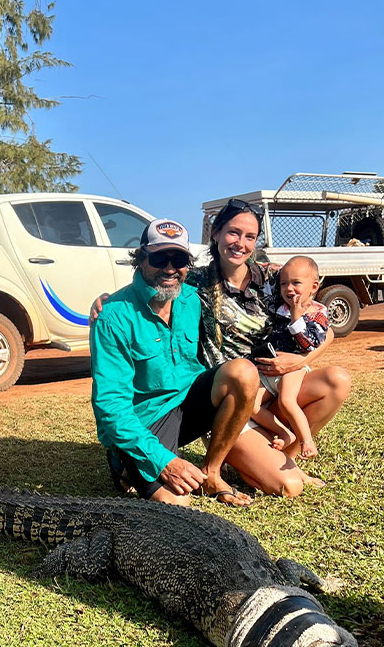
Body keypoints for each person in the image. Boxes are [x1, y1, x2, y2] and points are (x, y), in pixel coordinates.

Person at [90, 219, 262, 507]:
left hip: (188, 401)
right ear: (141, 260)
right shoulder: (112, 316)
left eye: (179, 259)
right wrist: (164, 462)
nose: (170, 268)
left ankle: (211, 472)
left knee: (243, 372)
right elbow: (111, 407)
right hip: (146, 419)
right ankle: (123, 457)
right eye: (159, 258)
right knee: (177, 506)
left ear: (187, 264)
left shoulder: (193, 297)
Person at [188, 199, 351, 495]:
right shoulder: (196, 281)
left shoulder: (274, 278)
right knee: (289, 488)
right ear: (216, 234)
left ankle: (285, 456)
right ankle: (249, 458)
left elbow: (325, 333)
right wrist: (107, 300)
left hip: (271, 389)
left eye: (250, 236)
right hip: (233, 403)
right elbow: (153, 282)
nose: (240, 243)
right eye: (233, 233)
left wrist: (299, 361)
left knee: (337, 380)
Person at [253, 256, 332, 460]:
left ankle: (306, 440)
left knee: (287, 400)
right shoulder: (280, 307)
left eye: (296, 283)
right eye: (284, 284)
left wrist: (297, 319)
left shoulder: (317, 314)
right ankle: (283, 433)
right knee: (250, 405)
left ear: (314, 287)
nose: (289, 289)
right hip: (269, 369)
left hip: (294, 368)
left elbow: (310, 345)